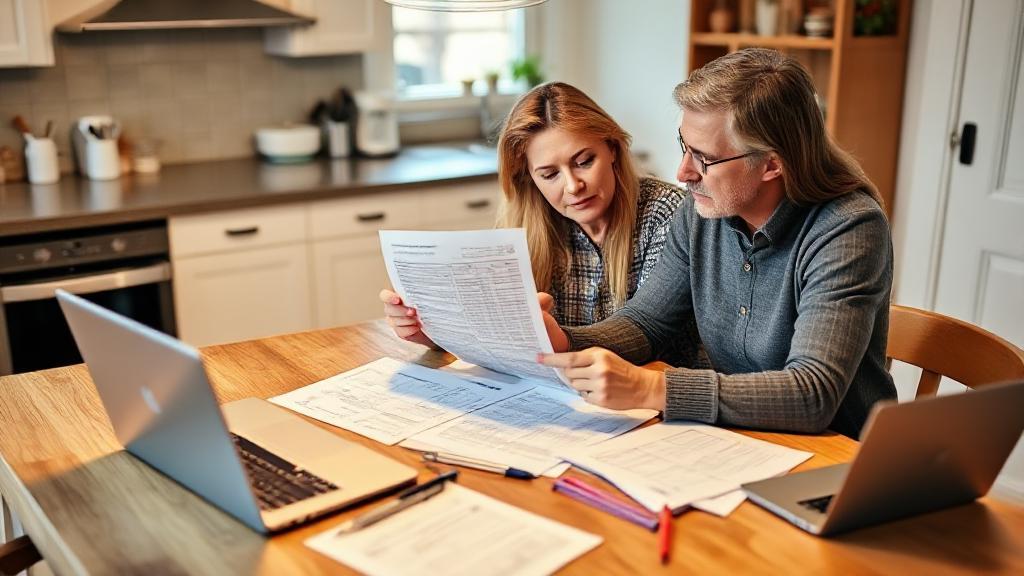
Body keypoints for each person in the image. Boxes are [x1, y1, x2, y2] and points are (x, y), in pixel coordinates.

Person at [538, 48, 896, 438]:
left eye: (703, 158)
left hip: (835, 456)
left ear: (772, 164)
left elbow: (812, 394)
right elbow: (646, 323)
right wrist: (564, 339)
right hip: (739, 437)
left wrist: (650, 388)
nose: (683, 172)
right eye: (684, 146)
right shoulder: (705, 210)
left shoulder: (848, 229)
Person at [381, 82, 701, 364]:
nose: (574, 186)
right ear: (530, 179)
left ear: (613, 149)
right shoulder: (529, 227)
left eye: (584, 161)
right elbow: (495, 333)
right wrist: (435, 333)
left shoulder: (667, 213)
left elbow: (653, 337)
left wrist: (559, 340)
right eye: (549, 175)